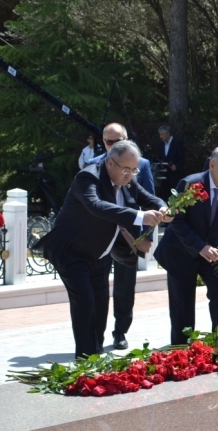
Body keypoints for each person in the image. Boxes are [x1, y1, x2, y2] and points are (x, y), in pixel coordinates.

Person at [34, 140, 168, 359]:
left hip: (100, 255)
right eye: (126, 170)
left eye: (134, 170)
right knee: (85, 302)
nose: (130, 176)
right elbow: (96, 206)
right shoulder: (88, 177)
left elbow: (146, 196)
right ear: (110, 163)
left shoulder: (126, 178)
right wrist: (141, 216)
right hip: (71, 252)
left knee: (100, 307)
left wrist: (162, 207)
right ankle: (84, 360)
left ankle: (95, 353)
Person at [155, 146, 218, 345]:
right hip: (181, 250)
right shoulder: (190, 184)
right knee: (183, 305)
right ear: (212, 165)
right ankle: (181, 349)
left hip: (213, 251)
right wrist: (199, 246)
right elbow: (176, 221)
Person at [84, 123, 156, 350]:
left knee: (125, 288)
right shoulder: (93, 167)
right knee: (99, 288)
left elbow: (150, 201)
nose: (114, 146)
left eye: (119, 141)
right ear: (103, 142)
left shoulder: (141, 165)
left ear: (128, 139)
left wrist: (147, 237)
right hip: (101, 237)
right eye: (109, 142)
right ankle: (97, 337)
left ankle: (121, 332)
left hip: (129, 237)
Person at [157, 126, 185, 199]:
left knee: (175, 196)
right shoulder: (161, 145)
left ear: (168, 134)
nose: (160, 137)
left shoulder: (177, 143)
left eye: (162, 134)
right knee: (164, 196)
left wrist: (176, 166)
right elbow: (159, 158)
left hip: (174, 175)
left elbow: (182, 159)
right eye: (160, 134)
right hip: (163, 175)